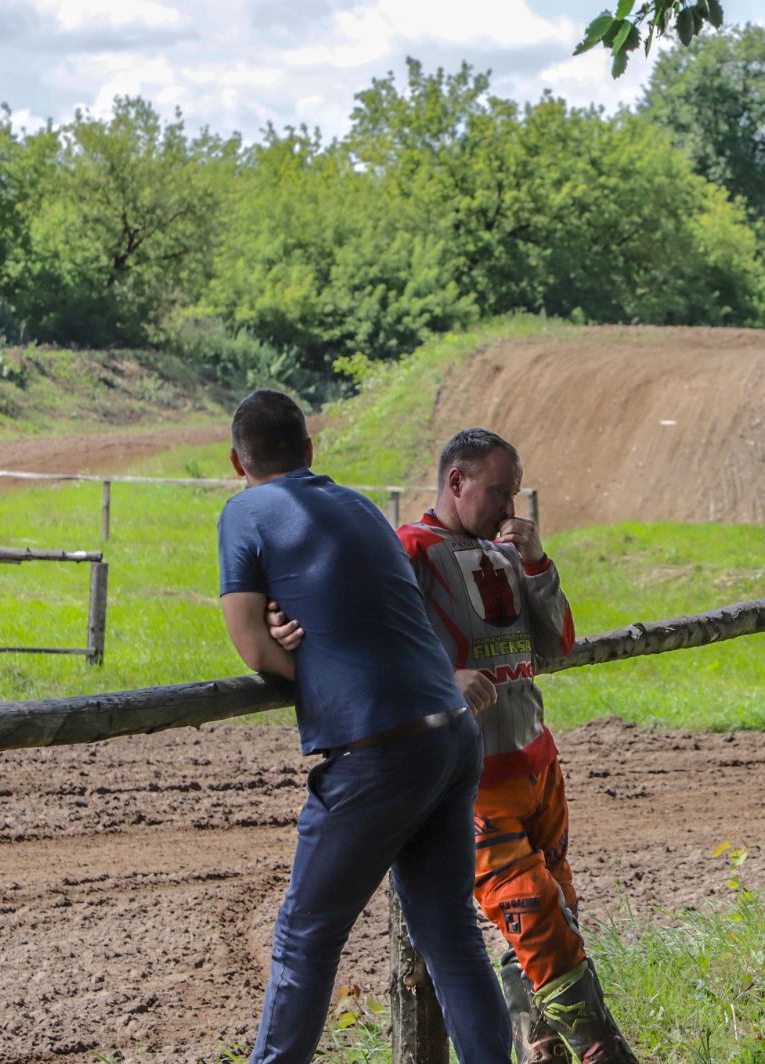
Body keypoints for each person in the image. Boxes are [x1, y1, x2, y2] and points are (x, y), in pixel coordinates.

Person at [271, 429, 636, 1064]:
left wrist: (538, 563)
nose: (509, 508)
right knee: (531, 908)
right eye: (498, 492)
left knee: (556, 905)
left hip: (537, 759)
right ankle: (602, 1049)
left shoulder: (506, 550)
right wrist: (283, 627)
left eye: (515, 493)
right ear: (456, 481)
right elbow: (362, 635)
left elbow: (558, 644)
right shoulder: (408, 549)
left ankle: (541, 1046)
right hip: (474, 776)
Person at [216, 390, 511, 1064]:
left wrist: (301, 655)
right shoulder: (358, 506)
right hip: (451, 732)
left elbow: (253, 649)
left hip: (380, 750)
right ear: (310, 451)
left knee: (305, 935)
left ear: (237, 462)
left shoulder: (243, 512)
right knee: (451, 935)